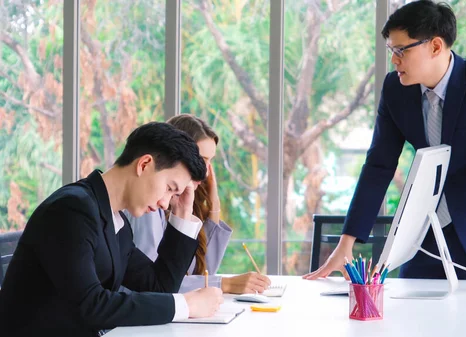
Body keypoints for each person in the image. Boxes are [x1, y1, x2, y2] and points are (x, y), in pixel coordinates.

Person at [304, 0, 466, 295]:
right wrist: (347, 241)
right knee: (409, 308)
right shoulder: (395, 89)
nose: (394, 60)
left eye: (402, 50)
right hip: (427, 229)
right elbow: (378, 167)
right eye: (391, 51)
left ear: (435, 46)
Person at [0, 122, 224, 337]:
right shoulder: (71, 210)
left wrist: (183, 213)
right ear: (144, 164)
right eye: (168, 188)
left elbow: (158, 286)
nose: (165, 203)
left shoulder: (115, 222)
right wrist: (187, 305)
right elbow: (92, 305)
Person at [125, 114, 271, 294]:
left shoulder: (180, 203)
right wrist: (226, 284)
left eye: (210, 162)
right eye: (201, 160)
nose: (205, 172)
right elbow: (153, 284)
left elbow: (201, 270)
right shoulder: (149, 206)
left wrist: (213, 204)